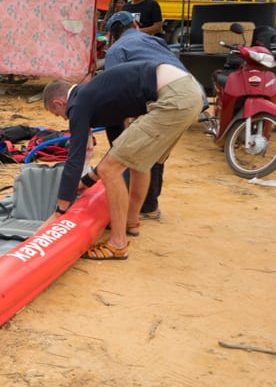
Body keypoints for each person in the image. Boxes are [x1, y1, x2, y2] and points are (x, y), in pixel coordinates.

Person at [43, 61, 203, 260]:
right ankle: (131, 221)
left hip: (174, 97)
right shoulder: (99, 95)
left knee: (111, 170)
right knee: (138, 159)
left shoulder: (78, 103)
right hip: (188, 92)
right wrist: (86, 182)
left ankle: (117, 244)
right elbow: (120, 150)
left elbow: (75, 158)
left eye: (58, 114)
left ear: (59, 103)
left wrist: (60, 210)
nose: (64, 120)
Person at [104, 10, 209, 223]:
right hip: (194, 94)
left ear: (112, 35)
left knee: (136, 148)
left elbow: (115, 91)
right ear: (135, 23)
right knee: (153, 150)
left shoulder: (116, 49)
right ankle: (148, 207)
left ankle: (140, 207)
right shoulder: (154, 40)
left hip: (169, 98)